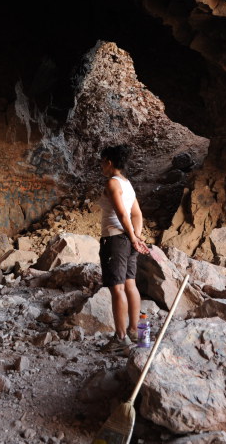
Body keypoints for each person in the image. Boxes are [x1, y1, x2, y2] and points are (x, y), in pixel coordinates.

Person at [98, 145, 150, 354]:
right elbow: (137, 214)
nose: (101, 166)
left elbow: (122, 214)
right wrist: (136, 236)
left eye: (102, 162)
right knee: (130, 284)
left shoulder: (112, 182)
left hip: (115, 240)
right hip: (127, 239)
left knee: (117, 288)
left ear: (109, 162)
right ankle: (134, 331)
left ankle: (120, 338)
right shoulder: (127, 184)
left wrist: (132, 237)